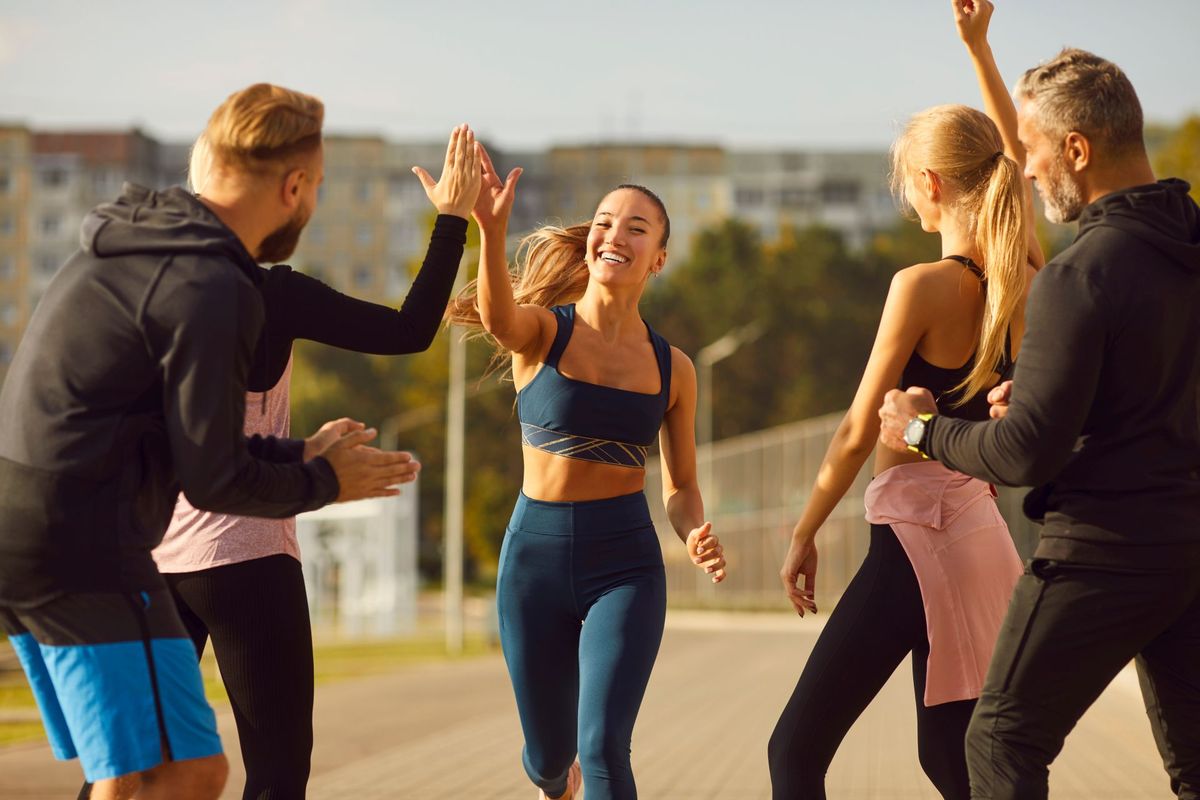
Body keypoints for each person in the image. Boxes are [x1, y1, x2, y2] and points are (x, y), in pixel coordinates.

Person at [0, 83, 420, 800]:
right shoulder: (210, 285)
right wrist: (327, 483)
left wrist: (300, 454)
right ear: (294, 187)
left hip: (33, 525)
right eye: (316, 187)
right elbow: (215, 480)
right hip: (84, 542)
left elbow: (184, 439)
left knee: (133, 771)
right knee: (189, 771)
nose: (312, 202)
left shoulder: (135, 243)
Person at [878, 19, 1200, 800]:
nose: (1025, 173)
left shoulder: (1081, 273)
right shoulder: (1184, 247)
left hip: (1102, 553)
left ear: (1079, 151)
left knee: (999, 742)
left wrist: (921, 429)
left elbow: (1026, 454)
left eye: (1034, 150)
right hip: (1190, 550)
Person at [118, 125, 480, 800]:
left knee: (127, 767)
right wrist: (453, 219)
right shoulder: (270, 292)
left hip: (147, 555)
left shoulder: (140, 291)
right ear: (283, 194)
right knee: (277, 772)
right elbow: (408, 331)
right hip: (245, 553)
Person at [769, 3, 1043, 797]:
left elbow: (859, 428)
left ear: (929, 183)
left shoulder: (918, 285)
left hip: (914, 542)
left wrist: (804, 531)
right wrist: (979, 49)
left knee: (795, 752)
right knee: (951, 761)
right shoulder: (1020, 277)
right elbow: (1017, 161)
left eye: (908, 186)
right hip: (983, 534)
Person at [447, 146, 727, 800]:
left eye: (638, 227)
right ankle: (552, 778)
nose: (616, 234)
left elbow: (681, 487)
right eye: (606, 221)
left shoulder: (673, 368)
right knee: (550, 758)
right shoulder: (544, 333)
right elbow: (497, 318)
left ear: (658, 258)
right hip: (533, 564)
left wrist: (692, 532)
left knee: (603, 747)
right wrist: (490, 231)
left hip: (625, 564)